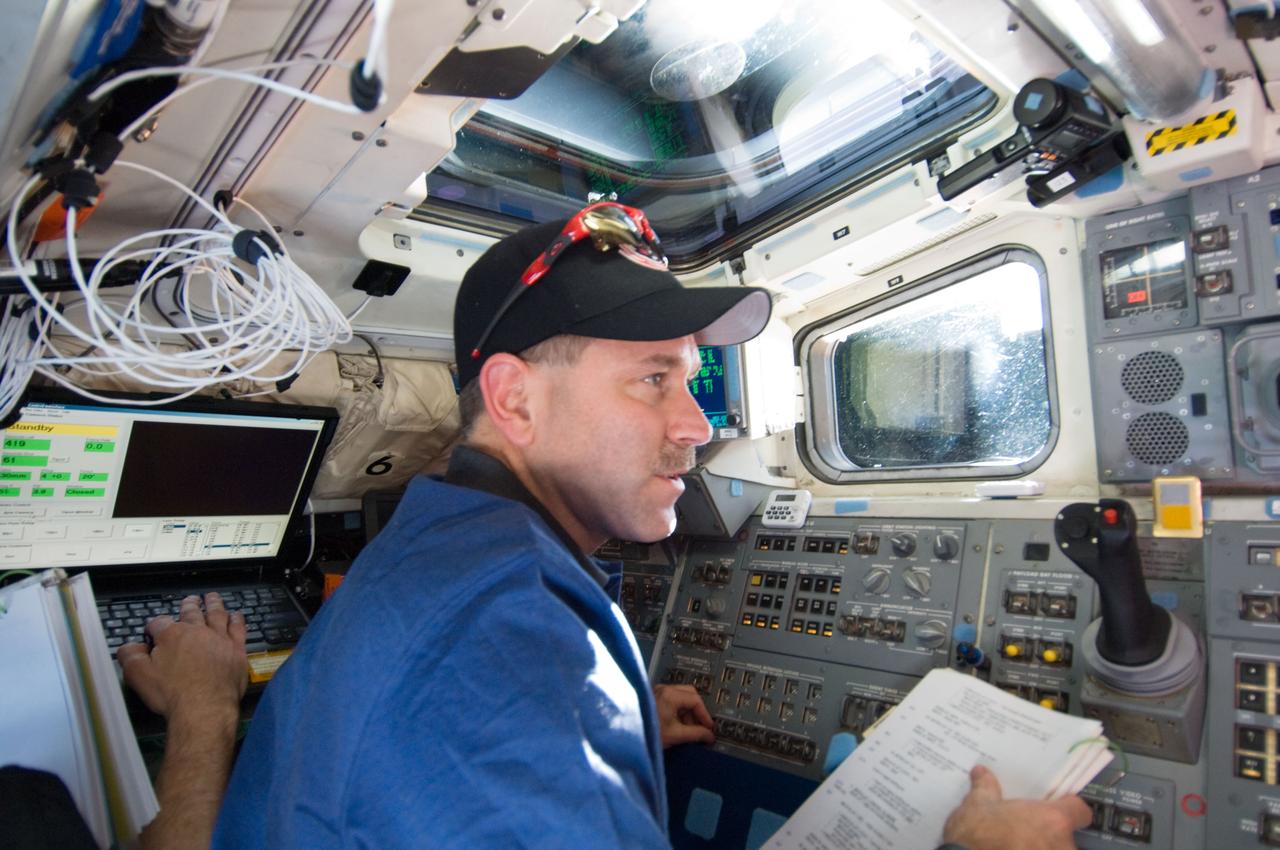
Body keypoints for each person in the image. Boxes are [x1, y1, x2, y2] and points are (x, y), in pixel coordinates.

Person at [130, 203, 1090, 850]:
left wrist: (603, 733)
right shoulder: (510, 648)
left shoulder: (431, 555)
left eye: (690, 377)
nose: (698, 426)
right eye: (652, 379)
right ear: (514, 401)